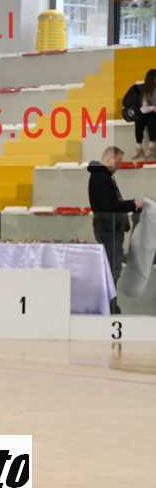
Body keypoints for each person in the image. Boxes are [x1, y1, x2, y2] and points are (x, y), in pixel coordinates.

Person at [87, 145, 144, 313]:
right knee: (112, 269)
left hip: (109, 228)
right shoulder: (101, 178)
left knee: (113, 268)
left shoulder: (103, 176)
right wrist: (133, 204)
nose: (119, 166)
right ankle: (109, 305)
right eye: (118, 162)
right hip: (108, 229)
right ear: (109, 159)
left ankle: (111, 304)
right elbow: (109, 206)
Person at [132, 69, 156, 159]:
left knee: (152, 119)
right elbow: (143, 109)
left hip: (153, 115)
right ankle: (139, 146)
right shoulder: (146, 91)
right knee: (139, 119)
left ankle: (151, 146)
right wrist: (153, 108)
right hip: (148, 112)